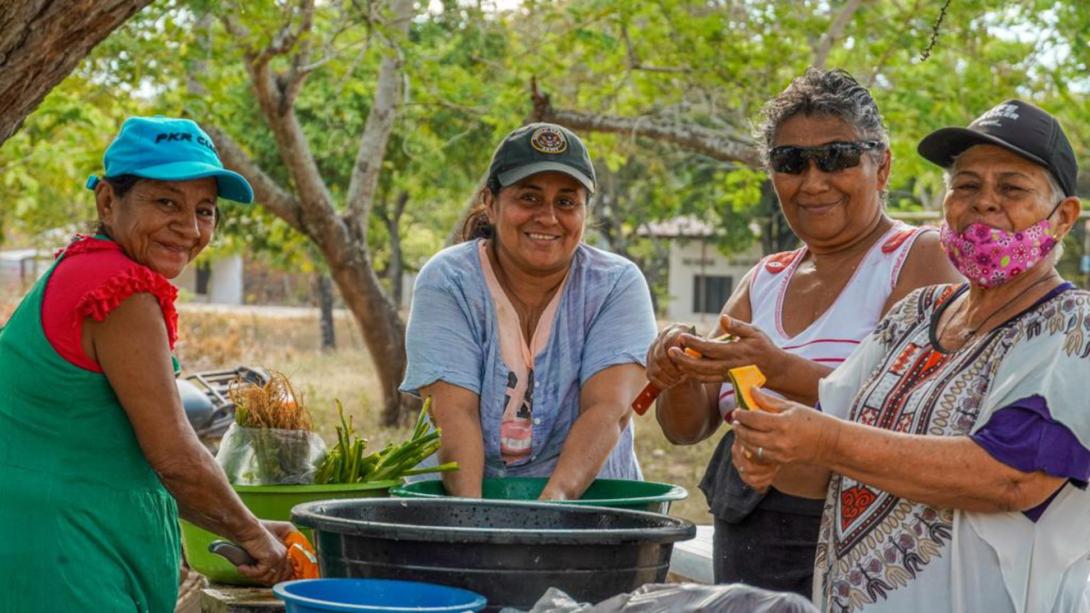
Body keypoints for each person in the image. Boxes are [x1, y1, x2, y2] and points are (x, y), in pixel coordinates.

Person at [731, 99, 1089, 612]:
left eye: (1011, 188)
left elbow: (1013, 477)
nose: (983, 203)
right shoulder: (915, 315)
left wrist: (820, 439)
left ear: (1063, 218)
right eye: (966, 186)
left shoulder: (1073, 326)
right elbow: (821, 460)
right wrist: (770, 452)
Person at [645, 68, 961, 595]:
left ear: (881, 167)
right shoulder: (764, 279)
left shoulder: (918, 257)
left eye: (836, 157)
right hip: (749, 530)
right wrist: (677, 371)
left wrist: (779, 369)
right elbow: (687, 429)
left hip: (862, 537)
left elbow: (918, 412)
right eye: (791, 162)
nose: (813, 181)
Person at [0, 116, 293, 612]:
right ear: (108, 202)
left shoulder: (89, 269)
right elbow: (176, 457)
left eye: (205, 210)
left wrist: (246, 526)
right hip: (64, 553)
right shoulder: (119, 292)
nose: (190, 227)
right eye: (166, 203)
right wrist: (259, 541)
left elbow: (123, 450)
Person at [400, 123, 656, 500]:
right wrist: (472, 524)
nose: (548, 217)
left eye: (566, 202)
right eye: (529, 198)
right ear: (491, 201)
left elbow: (608, 409)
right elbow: (454, 414)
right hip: (453, 503)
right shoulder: (449, 280)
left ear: (585, 210)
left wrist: (551, 510)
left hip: (589, 507)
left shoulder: (616, 285)